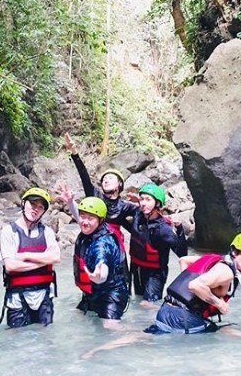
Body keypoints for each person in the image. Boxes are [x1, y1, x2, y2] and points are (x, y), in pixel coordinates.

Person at [145, 231, 241, 334]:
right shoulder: (226, 271)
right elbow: (195, 285)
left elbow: (184, 260)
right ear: (235, 252)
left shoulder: (215, 259)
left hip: (165, 311)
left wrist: (185, 292)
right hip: (182, 319)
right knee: (227, 331)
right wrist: (219, 304)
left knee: (149, 336)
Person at [63, 133, 136, 258]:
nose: (106, 180)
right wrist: (75, 153)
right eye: (104, 179)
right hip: (93, 244)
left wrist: (142, 203)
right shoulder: (96, 197)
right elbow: (84, 176)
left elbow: (144, 220)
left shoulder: (124, 206)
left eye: (110, 178)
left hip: (115, 249)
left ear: (119, 184)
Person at [0, 187, 61, 328]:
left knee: (46, 344)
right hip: (17, 299)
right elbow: (10, 267)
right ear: (23, 203)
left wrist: (25, 256)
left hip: (44, 297)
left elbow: (56, 257)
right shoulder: (9, 232)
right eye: (32, 204)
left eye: (40, 207)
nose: (35, 209)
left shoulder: (47, 232)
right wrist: (43, 261)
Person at [123, 183, 188, 304]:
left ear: (157, 203)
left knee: (148, 305)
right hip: (137, 268)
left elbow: (182, 253)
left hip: (155, 273)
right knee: (138, 301)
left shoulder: (163, 229)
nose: (143, 203)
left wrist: (179, 229)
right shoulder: (138, 214)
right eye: (142, 199)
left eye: (148, 200)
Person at [73, 196, 129, 327]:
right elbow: (83, 219)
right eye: (82, 216)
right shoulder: (89, 231)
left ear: (100, 220)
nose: (84, 222)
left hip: (111, 295)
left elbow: (102, 264)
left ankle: (137, 336)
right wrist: (70, 202)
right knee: (78, 317)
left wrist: (98, 277)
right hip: (92, 293)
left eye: (90, 218)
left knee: (110, 328)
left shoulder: (102, 244)